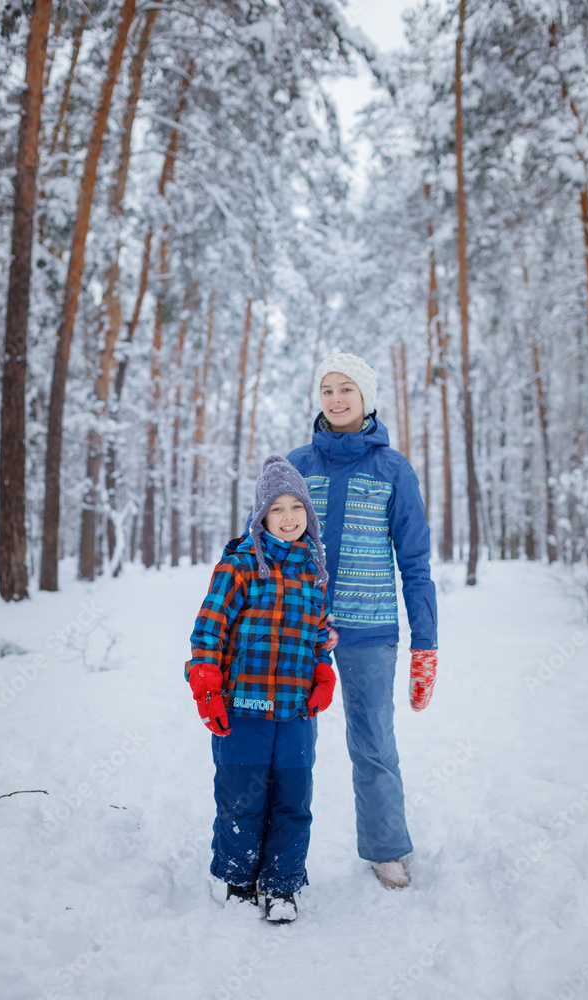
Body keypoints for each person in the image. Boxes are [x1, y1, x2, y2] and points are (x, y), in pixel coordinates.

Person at [286, 352, 438, 889]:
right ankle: (278, 855)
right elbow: (264, 550)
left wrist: (426, 642)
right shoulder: (297, 465)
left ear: (365, 397)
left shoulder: (392, 469)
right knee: (284, 742)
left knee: (373, 742)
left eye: (346, 388)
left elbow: (414, 562)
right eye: (327, 389)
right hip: (297, 630)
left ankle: (386, 847)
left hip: (369, 630)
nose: (336, 399)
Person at [186, 455, 336, 922]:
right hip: (244, 709)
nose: (289, 517)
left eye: (297, 508)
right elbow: (208, 632)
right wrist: (207, 686)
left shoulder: (314, 572)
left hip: (294, 712)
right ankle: (236, 877)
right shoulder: (240, 566)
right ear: (261, 517)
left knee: (293, 798)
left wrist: (323, 672)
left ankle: (282, 885)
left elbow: (317, 635)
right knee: (241, 797)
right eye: (277, 509)